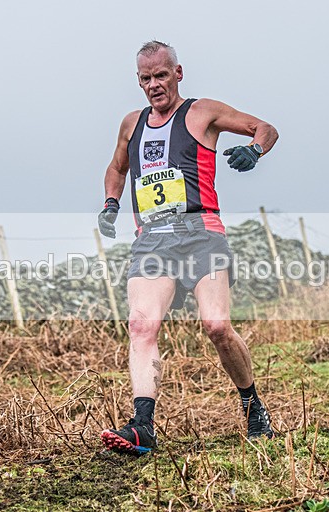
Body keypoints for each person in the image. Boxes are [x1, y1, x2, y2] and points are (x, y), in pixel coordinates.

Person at [97, 40, 279, 455]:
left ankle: (253, 406)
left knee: (216, 326)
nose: (154, 85)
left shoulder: (202, 112)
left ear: (178, 73)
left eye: (161, 75)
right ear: (138, 81)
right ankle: (142, 426)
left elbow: (266, 128)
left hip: (202, 233)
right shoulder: (132, 123)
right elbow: (117, 167)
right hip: (153, 239)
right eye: (146, 79)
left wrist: (254, 151)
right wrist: (111, 202)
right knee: (142, 325)